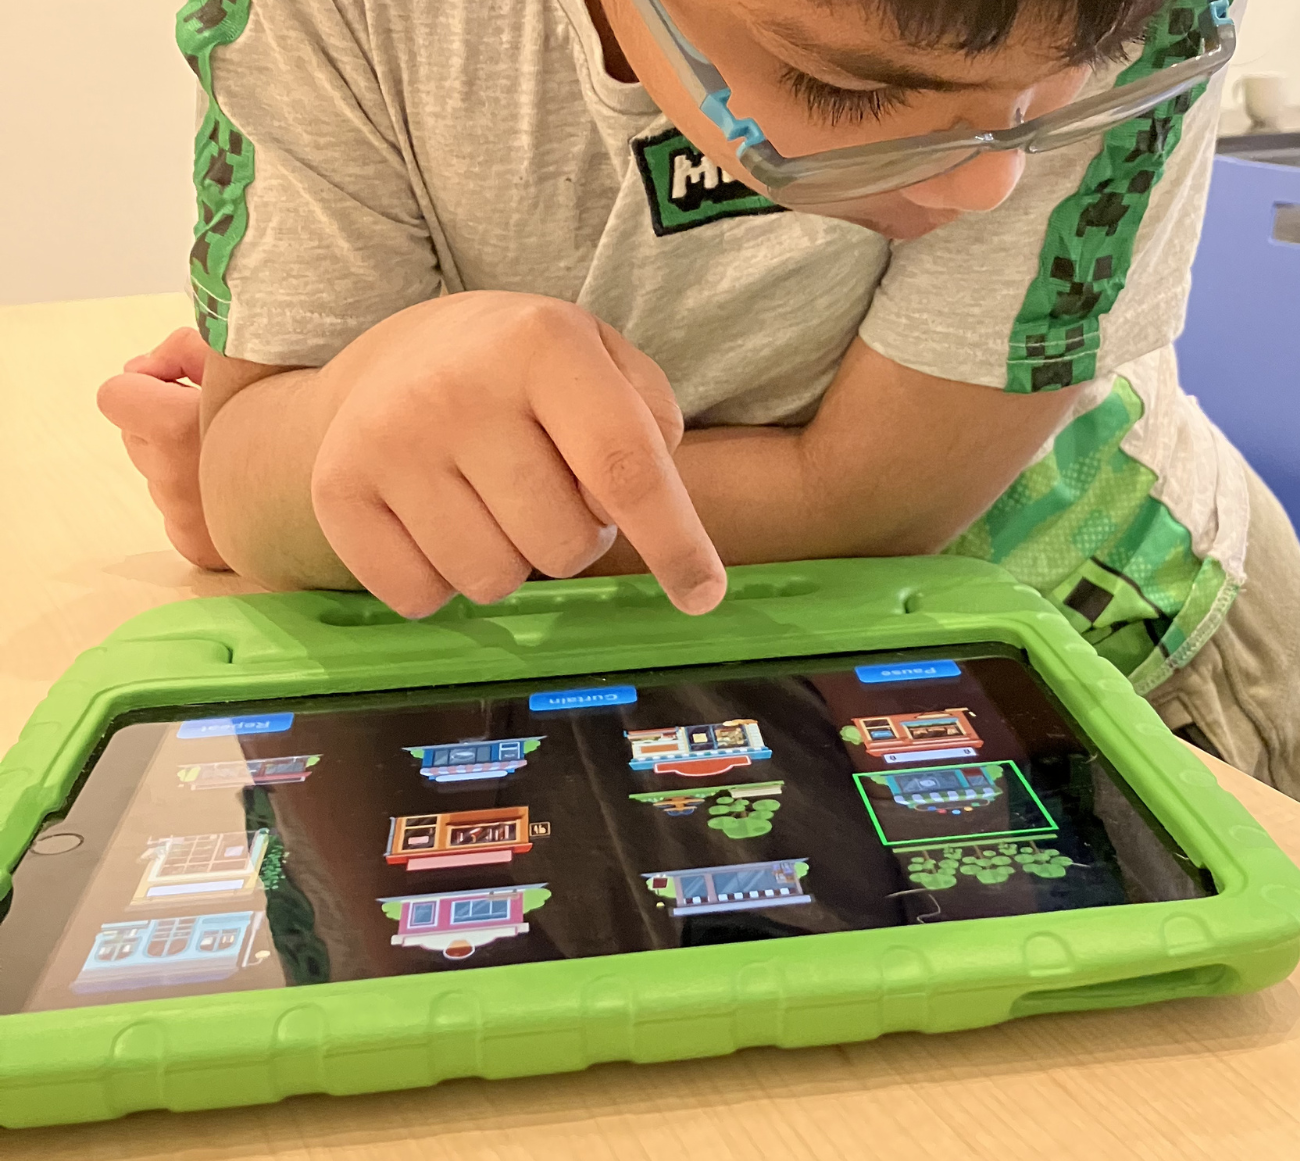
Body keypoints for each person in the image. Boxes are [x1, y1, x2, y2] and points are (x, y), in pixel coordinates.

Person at [97, 0, 1300, 796]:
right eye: (848, 92)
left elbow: (869, 504)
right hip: (570, 708)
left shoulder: (1146, 12)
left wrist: (364, 502)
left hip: (1105, 658)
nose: (991, 186)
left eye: (1060, 92)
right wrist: (318, 463)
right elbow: (255, 482)